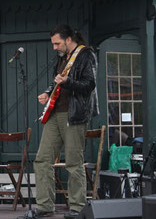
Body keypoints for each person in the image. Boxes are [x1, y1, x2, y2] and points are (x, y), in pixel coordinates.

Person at [34, 25, 99, 219]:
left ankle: (77, 207)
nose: (54, 47)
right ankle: (45, 205)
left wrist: (67, 82)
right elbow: (56, 81)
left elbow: (89, 85)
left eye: (57, 43)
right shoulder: (63, 58)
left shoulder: (86, 55)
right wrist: (47, 92)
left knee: (73, 162)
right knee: (42, 159)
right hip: (54, 113)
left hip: (75, 114)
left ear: (69, 39)